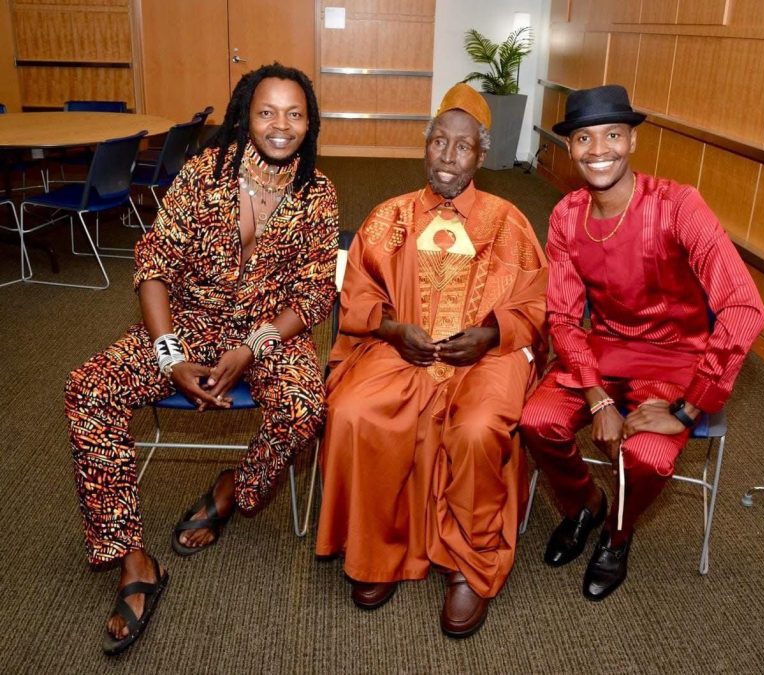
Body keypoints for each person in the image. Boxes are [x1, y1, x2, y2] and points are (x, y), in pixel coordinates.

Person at [64, 63, 338, 655]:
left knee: (304, 403)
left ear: (310, 121)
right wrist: (169, 356)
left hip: (267, 334)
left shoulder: (318, 194)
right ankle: (136, 562)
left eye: (295, 113)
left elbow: (317, 291)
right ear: (246, 114)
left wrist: (253, 346)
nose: (281, 126)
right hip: (183, 324)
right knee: (89, 390)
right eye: (267, 112)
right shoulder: (201, 174)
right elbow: (154, 263)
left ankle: (233, 488)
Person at [315, 83, 549, 638]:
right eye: (438, 142)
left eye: (462, 146)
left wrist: (492, 334)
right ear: (425, 148)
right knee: (352, 409)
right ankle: (375, 551)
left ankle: (469, 566)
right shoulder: (388, 216)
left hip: (483, 358)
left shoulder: (509, 221)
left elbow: (536, 302)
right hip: (402, 350)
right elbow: (361, 292)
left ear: (480, 155)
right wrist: (393, 329)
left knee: (476, 427)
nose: (448, 155)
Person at [520, 84, 764, 601]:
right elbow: (563, 318)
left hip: (676, 360)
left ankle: (619, 533)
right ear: (570, 149)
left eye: (612, 135)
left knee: (651, 456)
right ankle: (585, 505)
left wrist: (686, 409)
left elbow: (745, 308)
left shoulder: (680, 206)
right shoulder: (567, 215)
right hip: (602, 351)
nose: (599, 149)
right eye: (584, 138)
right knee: (536, 421)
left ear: (631, 140)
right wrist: (598, 397)